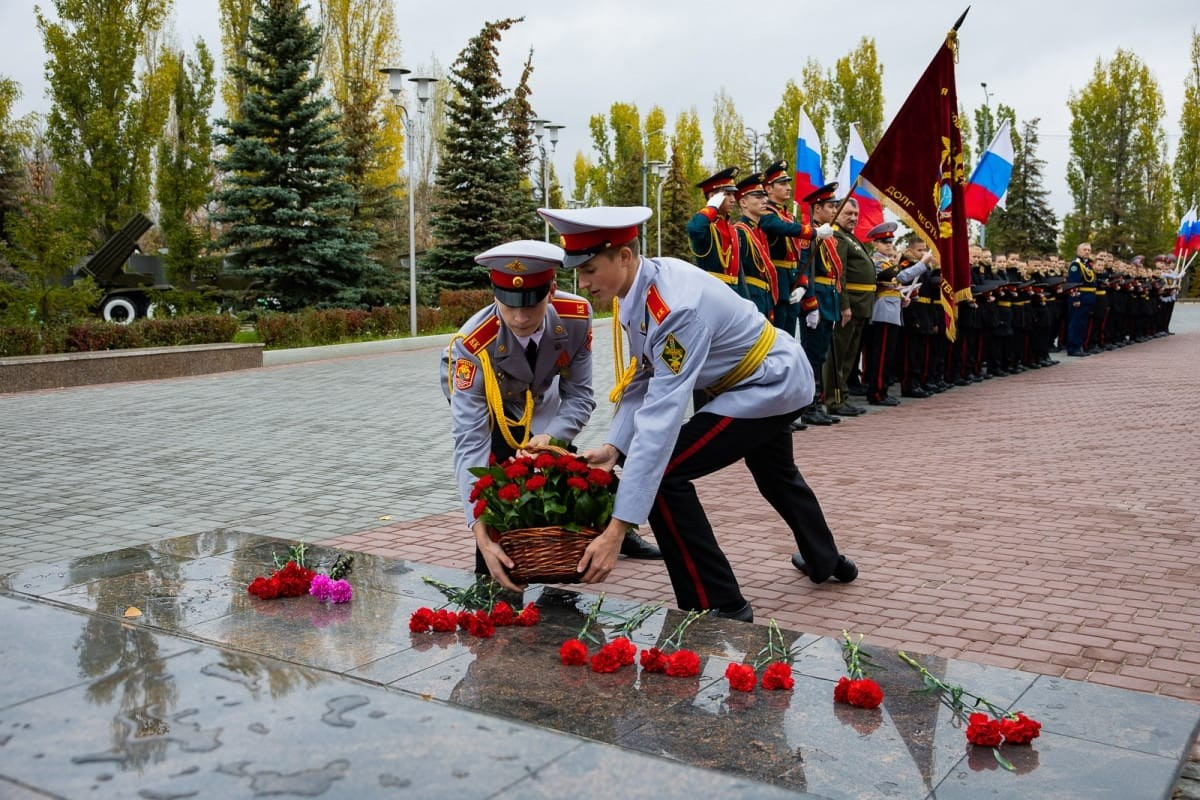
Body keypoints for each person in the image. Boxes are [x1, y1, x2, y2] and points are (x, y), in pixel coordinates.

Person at [538, 205, 857, 622]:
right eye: (577, 272)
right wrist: (616, 446)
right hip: (758, 377)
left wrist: (618, 528)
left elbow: (661, 418)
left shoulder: (673, 309)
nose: (581, 283)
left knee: (665, 474)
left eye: (590, 269)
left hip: (767, 384)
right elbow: (644, 376)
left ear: (624, 257)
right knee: (777, 475)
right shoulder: (641, 290)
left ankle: (719, 603)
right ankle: (827, 560)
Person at [442, 240, 660, 591]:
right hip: (494, 404)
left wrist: (553, 437)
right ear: (494, 294)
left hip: (541, 394)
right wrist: (480, 533)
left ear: (553, 290)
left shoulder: (576, 316)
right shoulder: (472, 345)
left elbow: (579, 396)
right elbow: (469, 443)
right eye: (508, 306)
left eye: (532, 304)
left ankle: (605, 531)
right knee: (498, 477)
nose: (520, 317)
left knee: (558, 463)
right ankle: (492, 583)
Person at [758, 160, 828, 336]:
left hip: (792, 281)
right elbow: (781, 228)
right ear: (768, 189)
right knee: (777, 336)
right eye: (782, 184)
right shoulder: (767, 213)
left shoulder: (787, 216)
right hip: (777, 282)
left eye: (788, 183)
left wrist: (803, 284)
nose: (788, 187)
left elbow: (799, 257)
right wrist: (814, 232)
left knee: (789, 337)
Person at [796, 182, 842, 427]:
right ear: (817, 209)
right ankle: (807, 405)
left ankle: (817, 402)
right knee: (811, 354)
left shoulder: (828, 235)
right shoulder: (810, 235)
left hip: (829, 297)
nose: (834, 210)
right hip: (817, 298)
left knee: (821, 353)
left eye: (835, 205)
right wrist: (811, 303)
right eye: (830, 206)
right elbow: (808, 270)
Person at [824, 197, 874, 417]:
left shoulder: (849, 237)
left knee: (849, 356)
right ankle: (834, 399)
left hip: (861, 304)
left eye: (855, 214)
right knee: (839, 356)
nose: (853, 218)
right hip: (850, 305)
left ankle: (842, 396)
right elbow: (839, 274)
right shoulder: (837, 236)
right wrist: (844, 305)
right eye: (848, 214)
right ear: (837, 212)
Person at [686, 166, 743, 295]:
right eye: (727, 194)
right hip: (712, 291)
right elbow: (694, 230)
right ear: (712, 196)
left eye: (733, 194)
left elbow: (739, 274)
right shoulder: (707, 225)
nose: (733, 199)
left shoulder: (732, 229)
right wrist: (712, 207)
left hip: (733, 292)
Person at [731, 172, 779, 319]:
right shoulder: (740, 232)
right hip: (751, 297)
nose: (764, 201)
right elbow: (739, 273)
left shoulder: (760, 231)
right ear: (743, 203)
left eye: (765, 196)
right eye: (758, 197)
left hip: (764, 297)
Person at [1064, 242, 1096, 357]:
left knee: (1083, 324)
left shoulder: (1087, 265)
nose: (1087, 252)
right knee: (1076, 323)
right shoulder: (1076, 265)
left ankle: (1080, 346)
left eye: (1089, 250)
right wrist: (1076, 298)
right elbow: (1073, 283)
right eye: (1084, 249)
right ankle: (1073, 348)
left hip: (1088, 298)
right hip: (1080, 297)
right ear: (1078, 251)